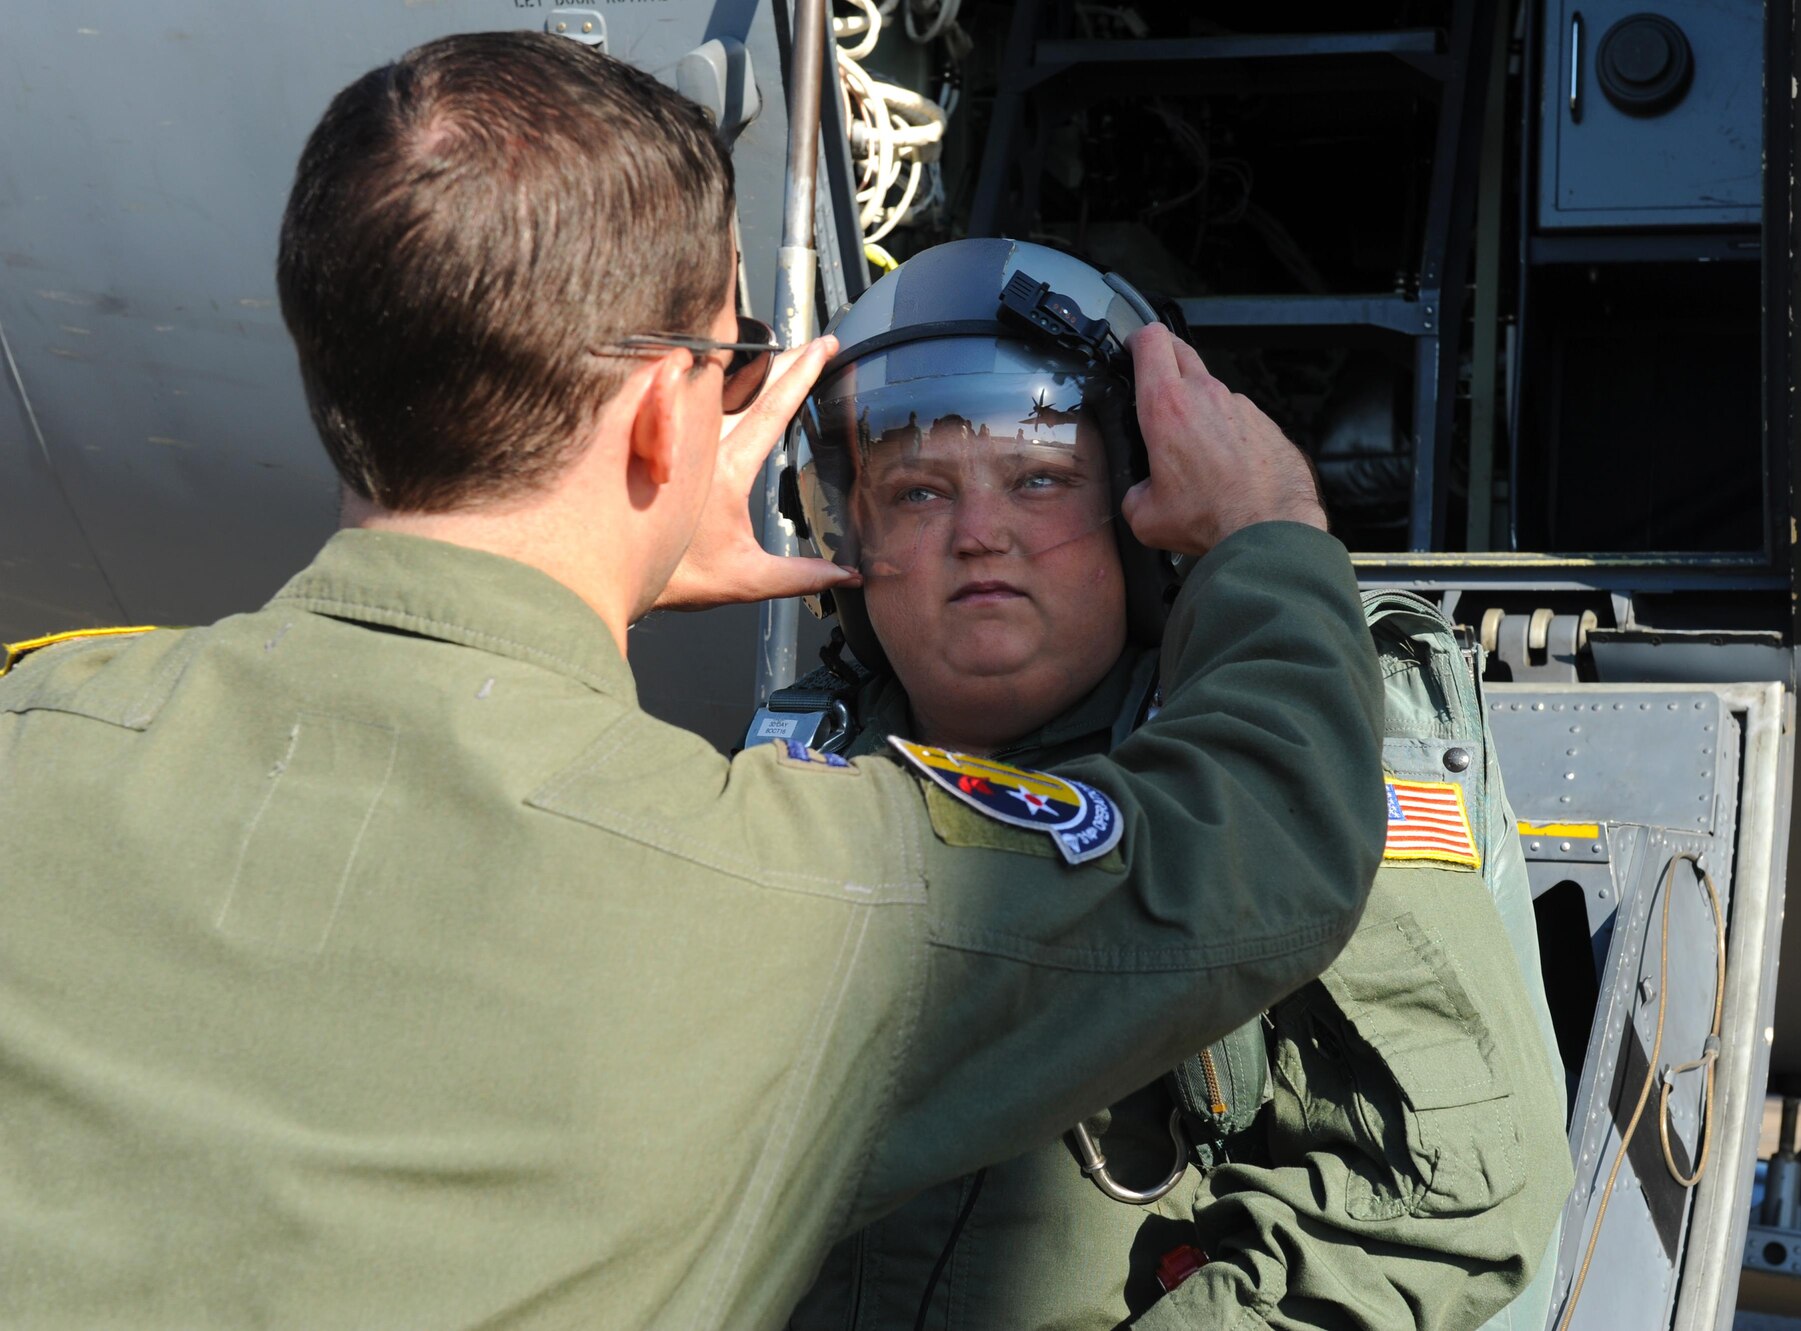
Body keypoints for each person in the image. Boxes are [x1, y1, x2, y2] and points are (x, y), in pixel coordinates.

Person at [0, 33, 1391, 1331]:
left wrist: (609, 542)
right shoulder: (801, 898)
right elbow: (1268, 836)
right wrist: (1268, 537)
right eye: (729, 358)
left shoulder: (37, 741)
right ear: (672, 418)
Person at [779, 239, 1572, 1331]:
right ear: (850, 536)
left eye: (1040, 479)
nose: (978, 533)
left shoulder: (1269, 770)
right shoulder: (787, 773)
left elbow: (1438, 1196)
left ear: (1136, 515)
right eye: (916, 491)